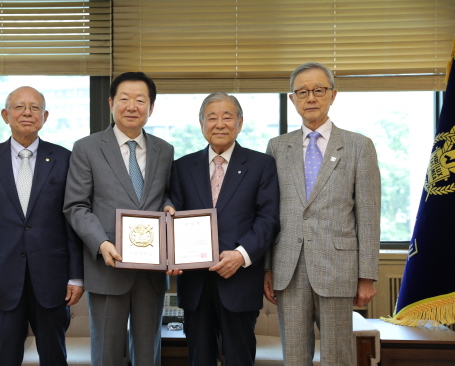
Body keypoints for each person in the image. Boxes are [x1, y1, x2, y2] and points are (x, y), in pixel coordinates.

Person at [264, 62, 381, 366]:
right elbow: (268, 212)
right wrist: (267, 267)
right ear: (293, 99)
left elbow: (368, 214)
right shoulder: (277, 147)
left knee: (337, 357)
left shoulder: (358, 146)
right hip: (288, 267)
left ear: (333, 94)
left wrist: (366, 275)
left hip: (338, 267)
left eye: (319, 90)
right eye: (303, 92)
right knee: (295, 357)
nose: (311, 98)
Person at [0, 86, 84, 366]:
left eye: (35, 107)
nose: (27, 113)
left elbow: (74, 223)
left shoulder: (65, 159)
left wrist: (76, 276)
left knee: (55, 357)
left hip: (53, 280)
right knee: (5, 357)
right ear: (6, 115)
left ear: (45, 116)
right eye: (19, 107)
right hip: (1, 282)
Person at [63, 72, 175, 366]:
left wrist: (168, 207)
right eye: (124, 99)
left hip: (151, 273)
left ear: (151, 107)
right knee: (106, 355)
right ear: (111, 103)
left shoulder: (165, 150)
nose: (131, 106)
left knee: (149, 355)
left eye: (140, 100)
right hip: (107, 269)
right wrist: (100, 243)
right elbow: (76, 205)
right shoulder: (86, 148)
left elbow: (164, 195)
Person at [168, 92, 280, 365]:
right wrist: (169, 253)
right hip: (195, 283)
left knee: (240, 359)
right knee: (199, 358)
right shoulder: (182, 167)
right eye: (212, 117)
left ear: (240, 123)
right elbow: (172, 214)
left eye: (227, 117)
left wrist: (241, 255)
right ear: (201, 123)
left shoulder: (261, 165)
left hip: (240, 281)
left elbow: (268, 219)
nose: (220, 124)